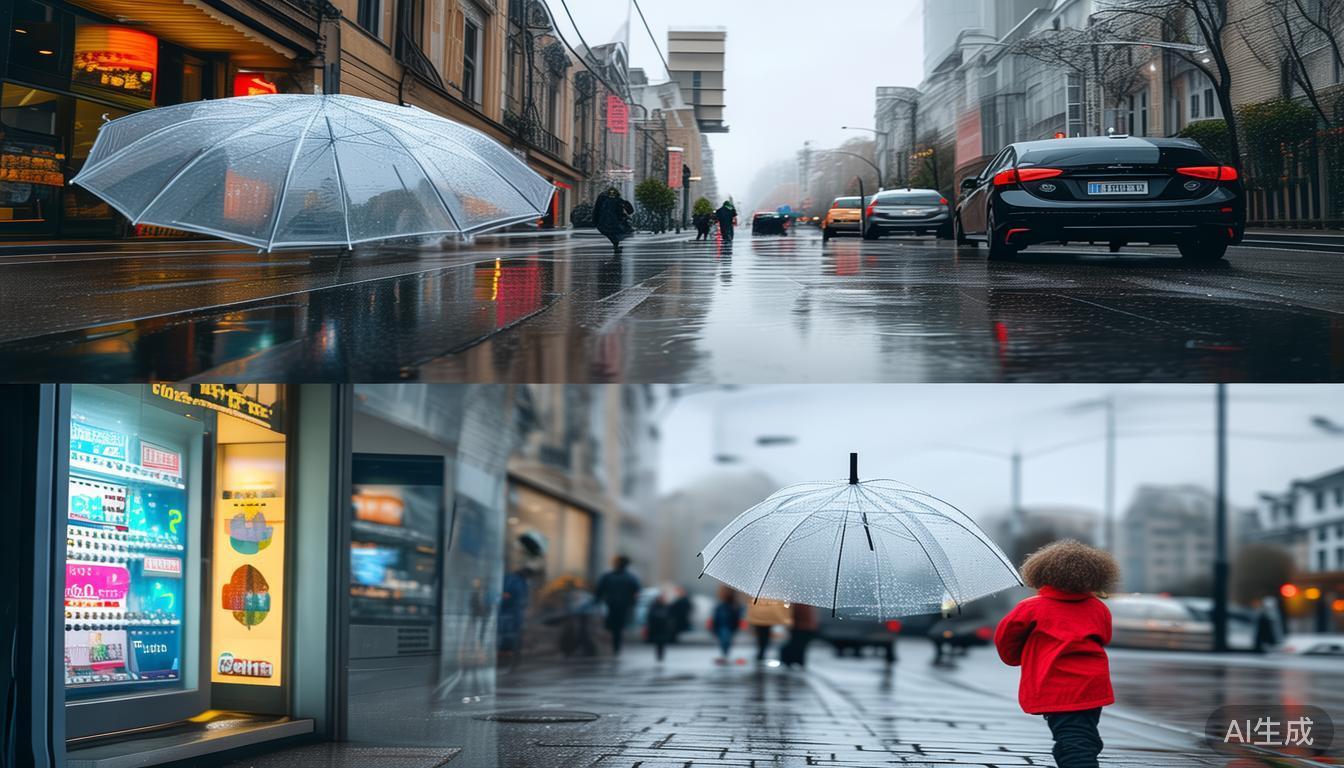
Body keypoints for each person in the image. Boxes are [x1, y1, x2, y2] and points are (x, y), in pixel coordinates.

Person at [994, 540, 1119, 768]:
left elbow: (1006, 639)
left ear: (1042, 572)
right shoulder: (1098, 608)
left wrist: (1016, 657)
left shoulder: (1031, 607)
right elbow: (1104, 637)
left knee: (1073, 742)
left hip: (1056, 685)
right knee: (1083, 736)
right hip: (1093, 686)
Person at [594, 555, 641, 655]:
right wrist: (632, 603)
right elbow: (636, 592)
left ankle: (609, 646)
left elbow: (599, 591)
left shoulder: (607, 576)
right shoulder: (630, 578)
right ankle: (615, 647)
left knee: (609, 626)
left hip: (610, 605)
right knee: (618, 628)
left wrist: (597, 601)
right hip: (622, 606)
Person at [746, 598, 790, 663]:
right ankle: (762, 652)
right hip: (768, 620)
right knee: (764, 638)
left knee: (761, 638)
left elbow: (752, 606)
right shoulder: (775, 598)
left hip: (759, 619)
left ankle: (761, 652)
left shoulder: (760, 597)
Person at [593, 187, 634, 253]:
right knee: (614, 232)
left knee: (611, 232)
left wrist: (595, 219)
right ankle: (616, 244)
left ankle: (616, 244)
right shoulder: (615, 200)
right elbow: (629, 209)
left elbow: (597, 209)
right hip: (612, 221)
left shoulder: (605, 200)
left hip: (606, 221)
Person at [780, 602, 819, 668]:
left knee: (797, 646)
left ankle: (794, 661)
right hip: (808, 628)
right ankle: (799, 662)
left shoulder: (799, 604)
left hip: (801, 628)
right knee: (800, 647)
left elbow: (795, 616)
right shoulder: (808, 604)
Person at [711, 586, 744, 664]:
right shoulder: (722, 604)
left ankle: (725, 654)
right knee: (725, 639)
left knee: (726, 640)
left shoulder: (735, 605)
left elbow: (738, 615)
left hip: (729, 625)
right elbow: (716, 615)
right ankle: (725, 654)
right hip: (723, 625)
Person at [645, 589, 677, 662]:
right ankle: (659, 656)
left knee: (662, 644)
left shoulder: (666, 606)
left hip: (663, 628)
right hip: (657, 628)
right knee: (658, 643)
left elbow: (671, 616)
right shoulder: (655, 606)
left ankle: (661, 656)